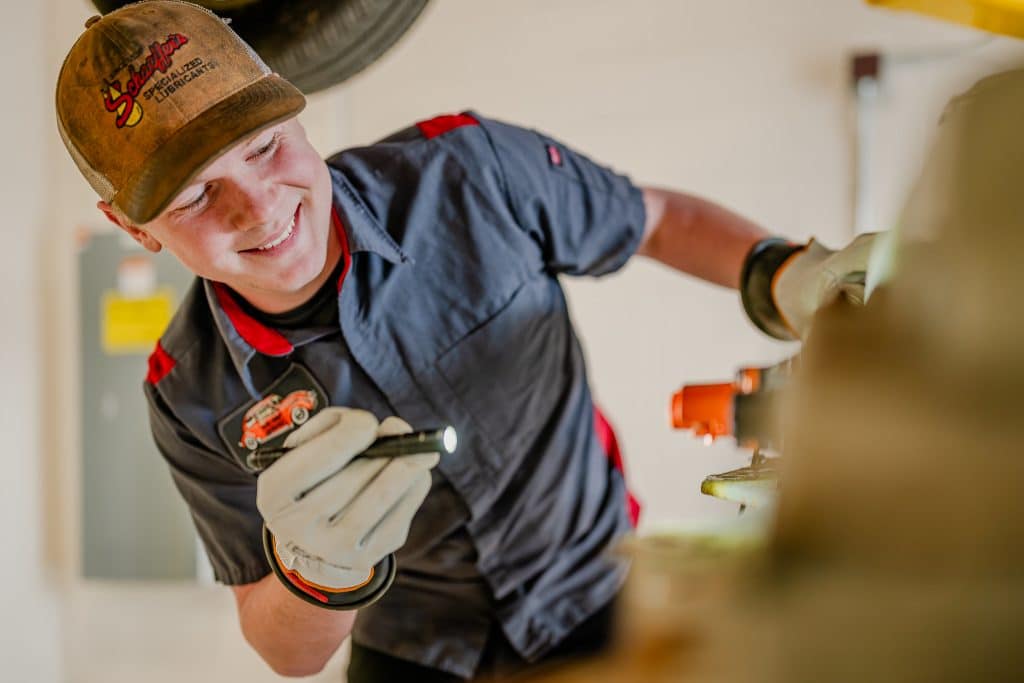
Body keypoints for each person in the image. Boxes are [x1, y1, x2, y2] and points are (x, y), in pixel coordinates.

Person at [56, 2, 874, 680]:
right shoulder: (187, 389)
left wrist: (786, 276)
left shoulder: (469, 171)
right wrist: (316, 574)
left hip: (607, 595)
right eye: (197, 194)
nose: (259, 206)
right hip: (413, 654)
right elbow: (280, 645)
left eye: (266, 146)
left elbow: (655, 219)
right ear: (132, 227)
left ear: (290, 99)